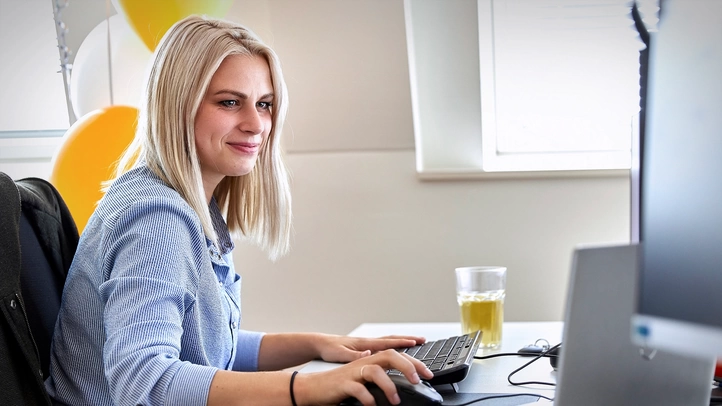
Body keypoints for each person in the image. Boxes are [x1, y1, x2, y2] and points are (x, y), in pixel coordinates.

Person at [45, 14, 433, 406]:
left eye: (264, 104)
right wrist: (306, 387)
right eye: (230, 102)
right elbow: (143, 379)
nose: (256, 124)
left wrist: (322, 345)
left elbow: (211, 349)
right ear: (178, 105)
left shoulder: (186, 204)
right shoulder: (156, 218)